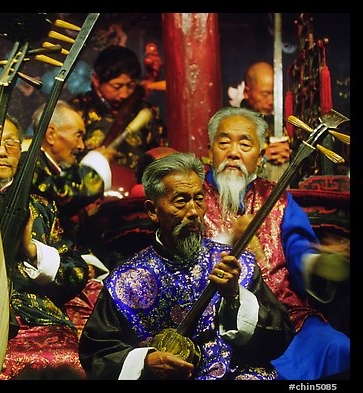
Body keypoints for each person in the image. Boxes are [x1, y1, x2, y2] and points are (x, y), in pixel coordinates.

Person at [78, 152, 294, 380]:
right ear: (153, 211)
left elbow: (280, 338)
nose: (193, 212)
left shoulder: (236, 263)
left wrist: (234, 298)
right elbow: (96, 355)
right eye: (181, 201)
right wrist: (145, 361)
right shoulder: (125, 281)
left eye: (198, 199)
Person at [203, 106, 350, 379]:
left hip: (283, 315)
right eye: (224, 143)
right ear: (209, 150)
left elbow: (297, 245)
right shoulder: (193, 197)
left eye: (245, 144)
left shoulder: (279, 199)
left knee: (337, 347)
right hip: (216, 316)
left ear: (260, 157)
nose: (233, 152)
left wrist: (318, 261)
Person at [0, 109, 89, 379]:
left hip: (39, 320)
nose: (3, 152)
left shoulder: (42, 207)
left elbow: (76, 274)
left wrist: (32, 250)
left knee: (68, 364)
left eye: (11, 143)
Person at [69, 45, 168, 181]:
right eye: (117, 86)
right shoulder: (77, 109)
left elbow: (161, 155)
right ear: (96, 80)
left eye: (131, 85)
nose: (124, 94)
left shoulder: (147, 113)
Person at [29, 99, 113, 244]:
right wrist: (97, 162)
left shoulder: (54, 169)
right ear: (51, 135)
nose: (81, 146)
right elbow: (65, 193)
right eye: (78, 136)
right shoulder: (30, 167)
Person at [239, 61, 291, 180]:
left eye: (274, 94)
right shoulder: (233, 125)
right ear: (247, 92)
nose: (271, 100)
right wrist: (262, 157)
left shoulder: (280, 124)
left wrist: (289, 155)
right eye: (265, 94)